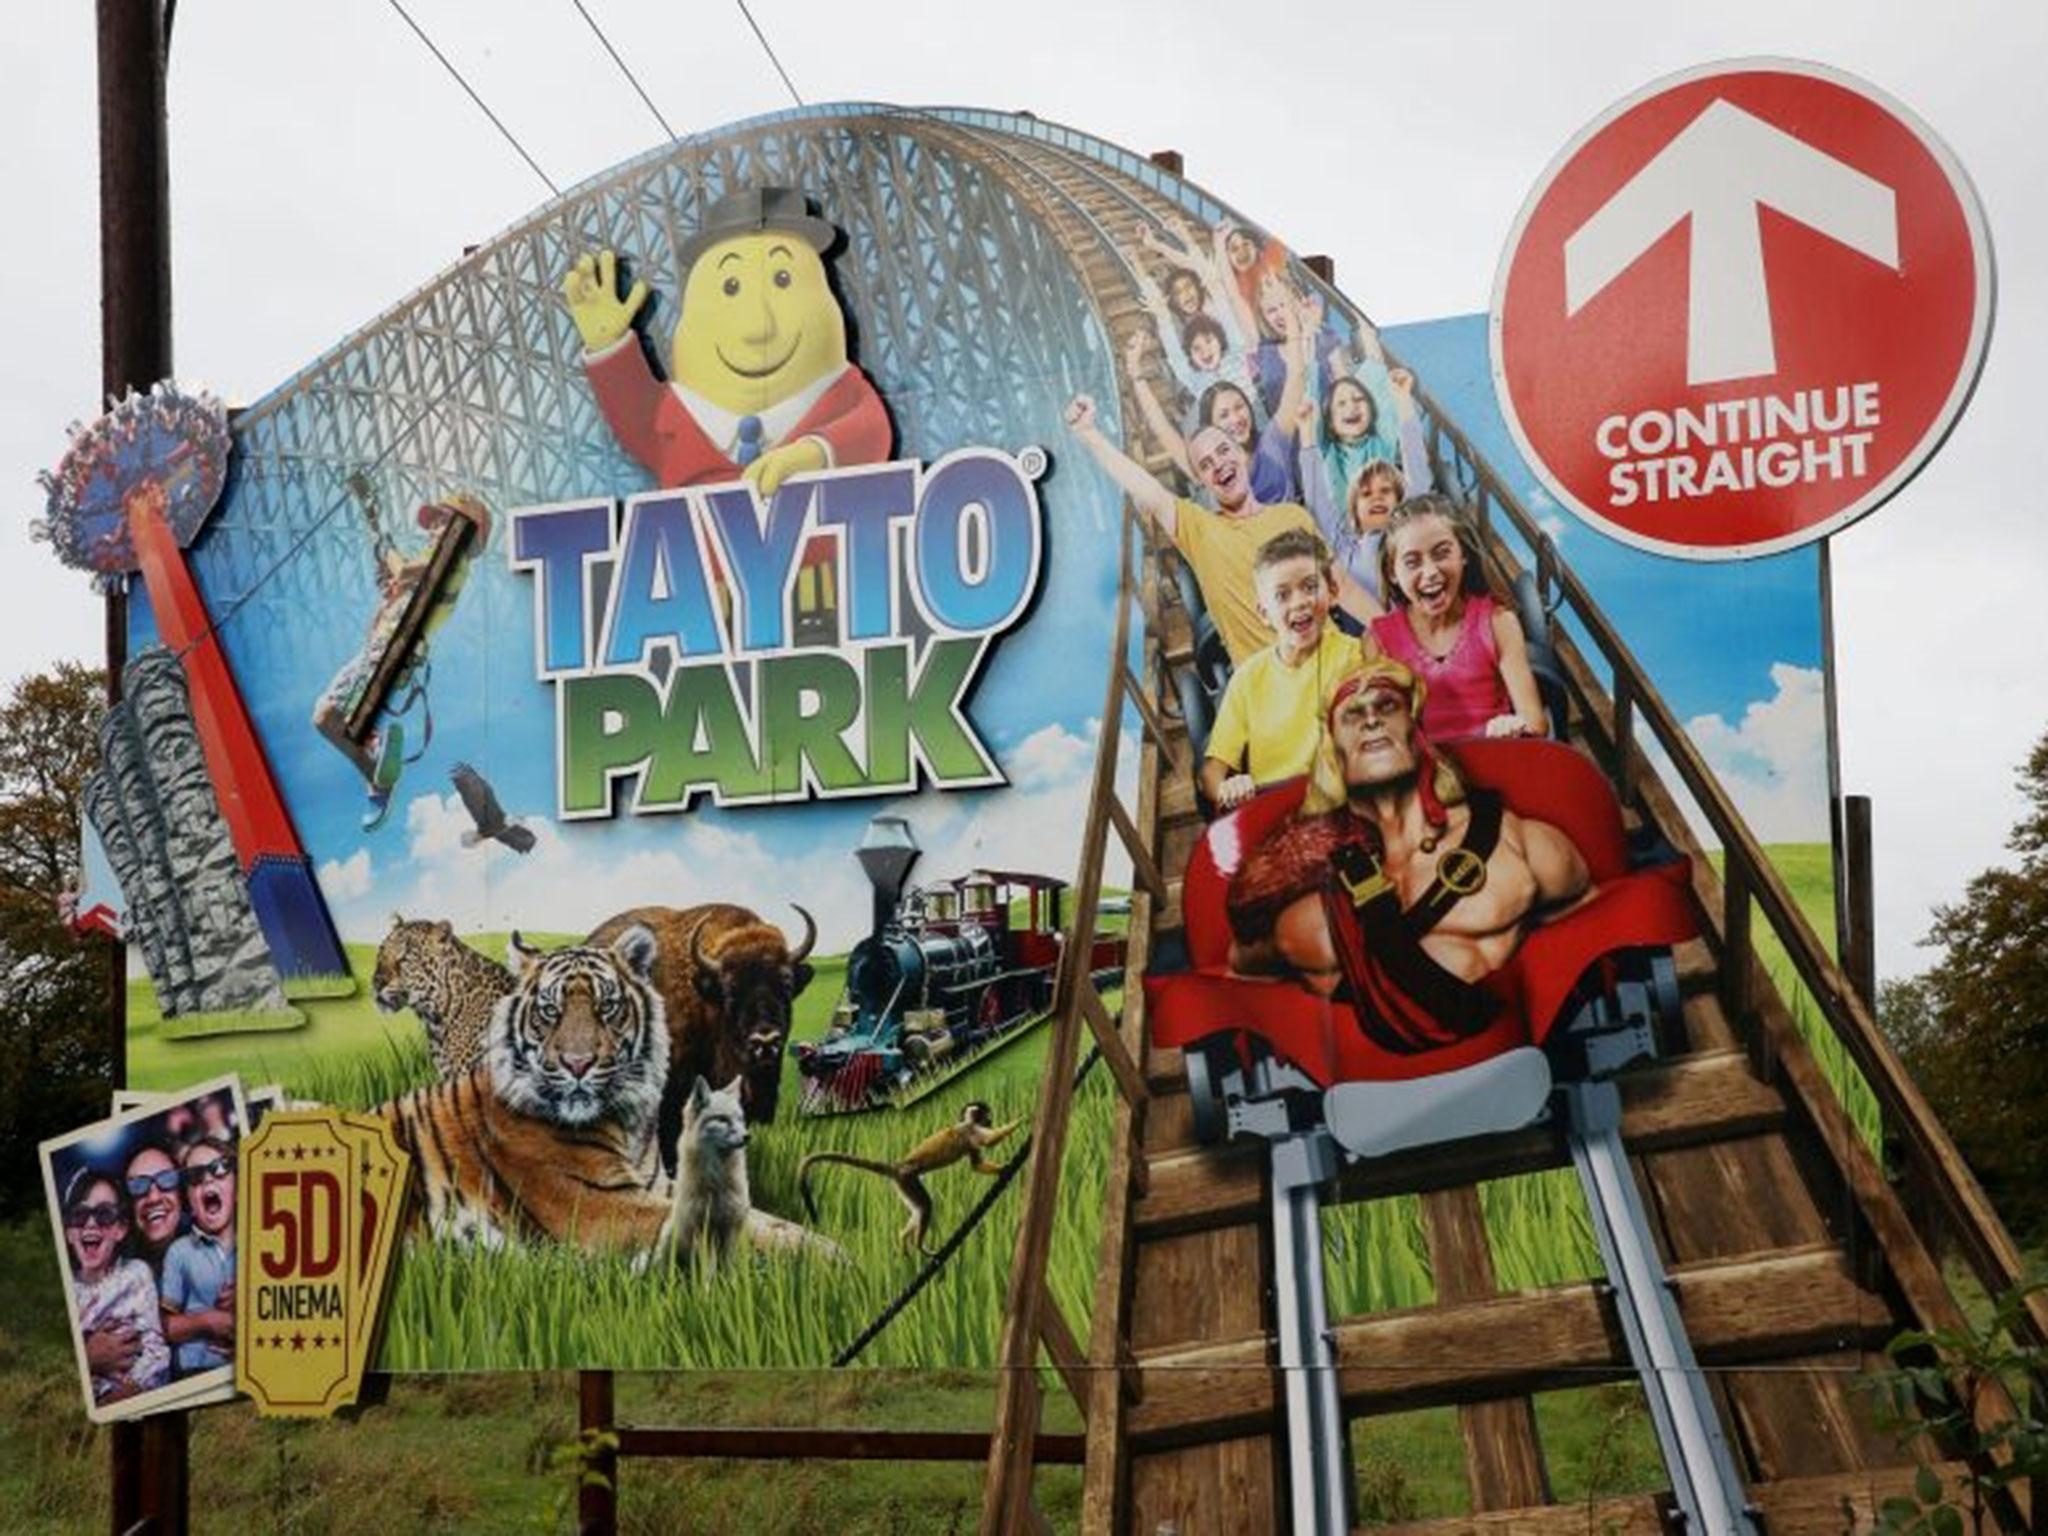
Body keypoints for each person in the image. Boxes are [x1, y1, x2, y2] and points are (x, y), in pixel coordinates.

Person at [1226, 658, 1589, 1027]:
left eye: (1387, 706)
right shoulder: (1292, 882)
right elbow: (1245, 976)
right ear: (1332, 748)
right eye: (1353, 714)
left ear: (1416, 732)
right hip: (1366, 1077)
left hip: (1513, 1057)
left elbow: (1587, 920)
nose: (1371, 720)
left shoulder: (1512, 839)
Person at [1064, 393, 1380, 666]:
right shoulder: (1199, 529)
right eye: (1205, 464)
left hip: (1336, 664)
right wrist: (1090, 434)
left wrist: (1400, 638)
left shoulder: (1293, 516)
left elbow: (1346, 589)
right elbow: (1147, 489)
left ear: (1241, 454)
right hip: (1272, 692)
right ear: (1202, 481)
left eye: (1224, 451)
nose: (1218, 464)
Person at [1367, 495, 1547, 741]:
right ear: (1392, 573)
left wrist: (1513, 726)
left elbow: (1535, 722)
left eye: (1441, 554)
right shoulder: (1378, 640)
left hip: (1495, 759)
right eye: (1412, 562)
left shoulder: (1498, 621)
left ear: (1463, 554)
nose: (1430, 572)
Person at [1200, 529, 1356, 809]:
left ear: (1331, 592)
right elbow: (1212, 773)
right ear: (1264, 613)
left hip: (1350, 803)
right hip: (1279, 816)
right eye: (1282, 595)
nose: (1299, 602)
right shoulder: (1247, 680)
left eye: (1310, 587)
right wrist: (1228, 787)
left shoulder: (1357, 656)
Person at [62, 1167, 171, 1407]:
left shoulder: (135, 1275)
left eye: (104, 1214)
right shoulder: (66, 1288)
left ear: (120, 1229)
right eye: (80, 1215)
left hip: (132, 1397)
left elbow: (157, 1354)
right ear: (69, 1233)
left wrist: (119, 1400)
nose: (90, 1224)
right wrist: (88, 1357)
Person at [158, 1136, 237, 1377]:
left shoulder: (263, 1242)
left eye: (220, 1168)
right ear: (190, 1203)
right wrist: (208, 1321)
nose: (208, 1178)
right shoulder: (179, 1252)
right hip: (195, 1372)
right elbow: (164, 1326)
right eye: (195, 1176)